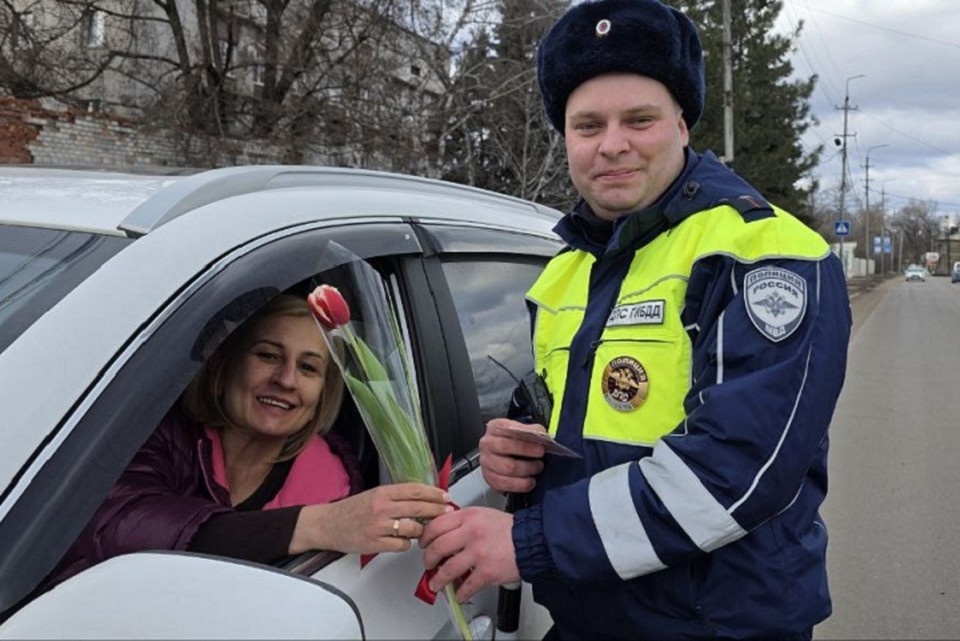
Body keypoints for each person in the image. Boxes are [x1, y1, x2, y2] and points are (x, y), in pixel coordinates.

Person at [420, 0, 852, 638]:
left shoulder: (766, 255)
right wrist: (512, 451)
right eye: (587, 125)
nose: (612, 144)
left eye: (639, 119)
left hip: (716, 627)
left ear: (682, 124)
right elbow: (571, 416)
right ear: (565, 137)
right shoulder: (566, 270)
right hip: (586, 616)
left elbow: (734, 475)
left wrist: (529, 540)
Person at [48, 293, 449, 587]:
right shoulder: (160, 434)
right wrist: (316, 526)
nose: (286, 379)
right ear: (227, 365)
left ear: (322, 396)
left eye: (308, 368)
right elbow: (117, 525)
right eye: (268, 356)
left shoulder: (336, 485)